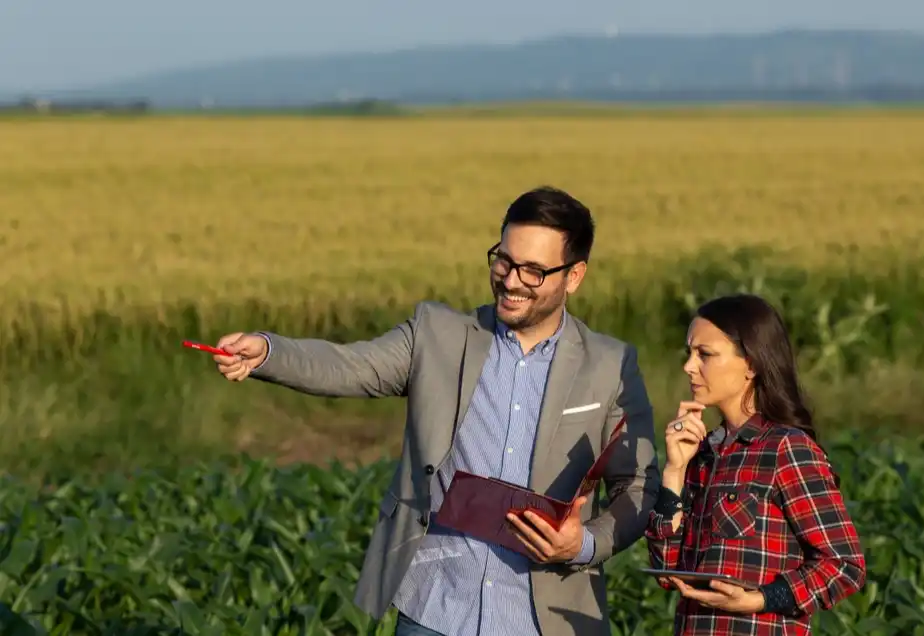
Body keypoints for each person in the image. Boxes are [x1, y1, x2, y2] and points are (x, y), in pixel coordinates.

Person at [211, 186, 660, 636]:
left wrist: (583, 545)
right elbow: (350, 366)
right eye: (503, 261)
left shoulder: (610, 365)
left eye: (533, 271)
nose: (510, 281)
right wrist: (269, 352)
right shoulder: (437, 335)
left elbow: (637, 484)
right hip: (435, 607)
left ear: (574, 276)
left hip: (546, 618)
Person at [645, 293, 865, 635]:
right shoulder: (701, 453)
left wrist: (761, 599)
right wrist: (674, 471)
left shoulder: (786, 449)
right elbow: (666, 568)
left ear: (751, 364)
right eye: (689, 353)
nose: (689, 366)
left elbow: (844, 565)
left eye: (705, 354)